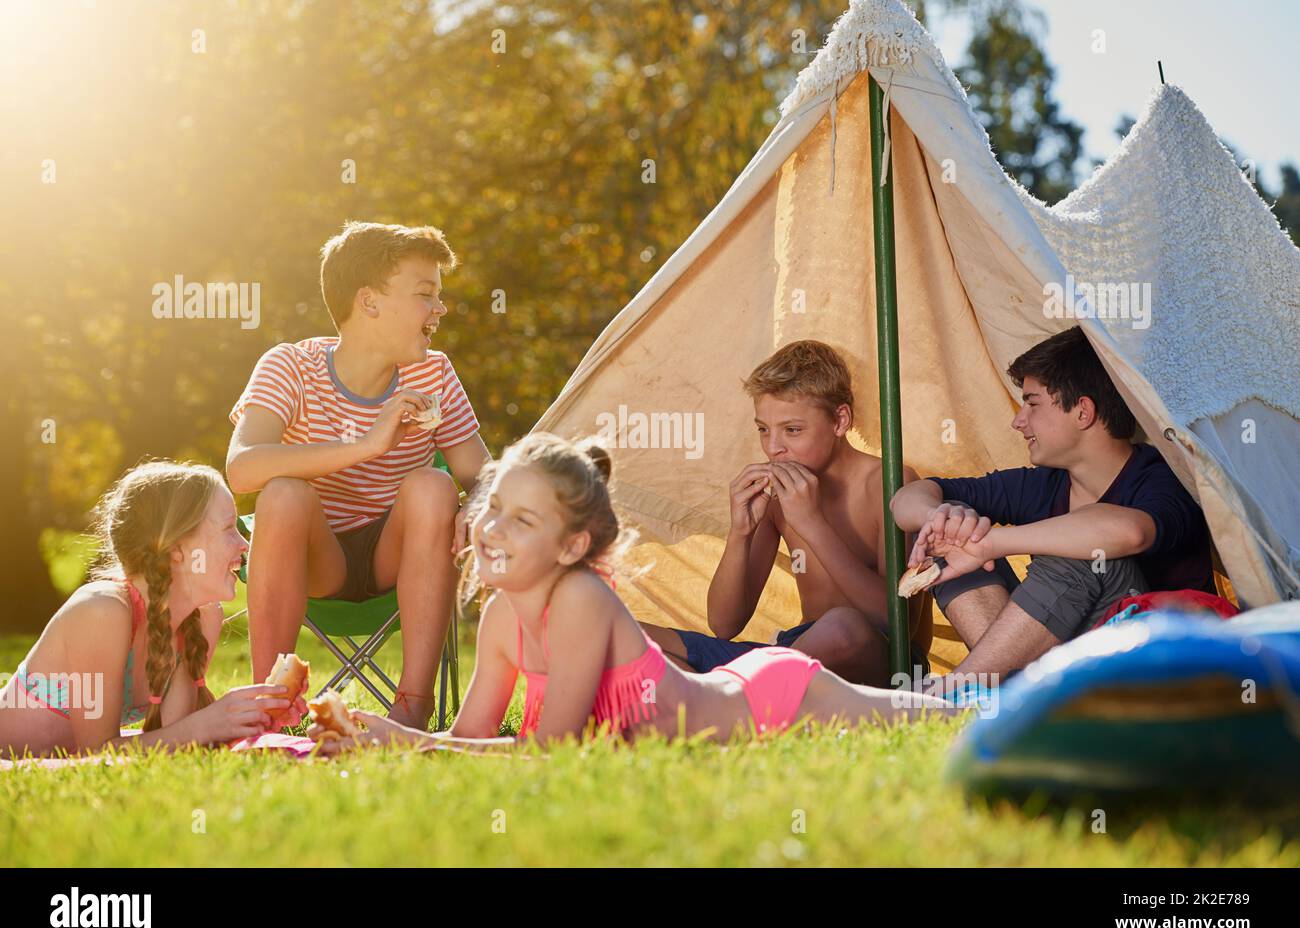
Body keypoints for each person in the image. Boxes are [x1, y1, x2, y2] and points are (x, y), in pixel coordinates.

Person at [310, 433, 951, 756]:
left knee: (946, 721)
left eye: (522, 521)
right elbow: (469, 736)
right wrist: (382, 741)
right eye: (493, 507)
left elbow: (550, 754)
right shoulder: (502, 617)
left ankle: (1025, 697)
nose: (492, 530)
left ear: (569, 549)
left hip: (774, 700)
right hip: (741, 683)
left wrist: (404, 740)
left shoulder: (582, 601)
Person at [226, 222, 490, 730]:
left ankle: (411, 708)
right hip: (317, 560)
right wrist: (365, 445)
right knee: (282, 494)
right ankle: (271, 707)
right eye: (425, 295)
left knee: (434, 486)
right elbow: (242, 470)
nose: (440, 309)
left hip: (399, 558)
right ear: (369, 302)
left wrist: (482, 504)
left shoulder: (432, 374)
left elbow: (481, 476)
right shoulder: (290, 367)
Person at [890, 326, 1215, 693]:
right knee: (947, 529)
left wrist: (991, 543)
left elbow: (1129, 531)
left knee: (1083, 552)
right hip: (1067, 671)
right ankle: (1010, 693)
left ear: (1082, 411)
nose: (1018, 420)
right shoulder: (1045, 483)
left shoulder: (1163, 476)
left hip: (1161, 668)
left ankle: (961, 690)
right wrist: (941, 520)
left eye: (1032, 403)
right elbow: (907, 499)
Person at [641, 340, 931, 685]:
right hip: (800, 652)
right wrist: (740, 533)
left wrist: (811, 523)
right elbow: (724, 623)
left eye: (792, 430)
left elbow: (893, 622)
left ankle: (733, 692)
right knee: (634, 635)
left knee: (842, 625)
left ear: (840, 420)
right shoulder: (778, 496)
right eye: (763, 429)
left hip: (883, 662)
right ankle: (743, 689)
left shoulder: (891, 485)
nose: (774, 447)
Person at [0, 461, 301, 758]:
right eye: (228, 528)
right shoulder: (101, 612)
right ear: (176, 549)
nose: (244, 544)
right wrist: (206, 724)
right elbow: (97, 753)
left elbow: (172, 741)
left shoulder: (204, 617)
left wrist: (255, 716)